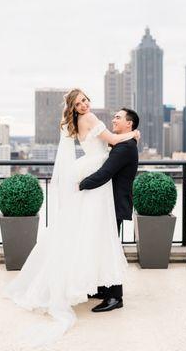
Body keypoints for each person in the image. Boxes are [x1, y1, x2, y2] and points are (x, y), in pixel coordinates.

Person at [2, 88, 140, 348]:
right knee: (100, 238)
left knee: (96, 237)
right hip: (96, 184)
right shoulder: (93, 121)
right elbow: (111, 140)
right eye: (79, 103)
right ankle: (107, 290)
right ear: (74, 108)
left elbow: (108, 146)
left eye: (86, 100)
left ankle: (107, 291)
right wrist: (132, 134)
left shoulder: (76, 124)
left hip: (96, 181)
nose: (85, 105)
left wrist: (84, 181)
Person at [79, 107, 139, 312]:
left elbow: (105, 173)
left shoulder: (125, 147)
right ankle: (105, 289)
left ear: (129, 123)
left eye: (118, 117)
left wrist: (81, 184)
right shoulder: (123, 143)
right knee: (105, 245)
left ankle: (115, 297)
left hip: (114, 204)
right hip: (108, 203)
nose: (113, 119)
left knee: (111, 248)